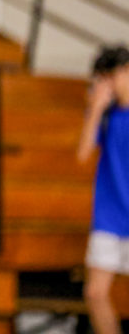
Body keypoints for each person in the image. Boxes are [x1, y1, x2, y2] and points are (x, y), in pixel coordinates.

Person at [77, 45, 129, 334]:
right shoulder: (106, 116)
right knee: (95, 293)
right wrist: (95, 109)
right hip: (109, 217)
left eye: (111, 76)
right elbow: (83, 153)